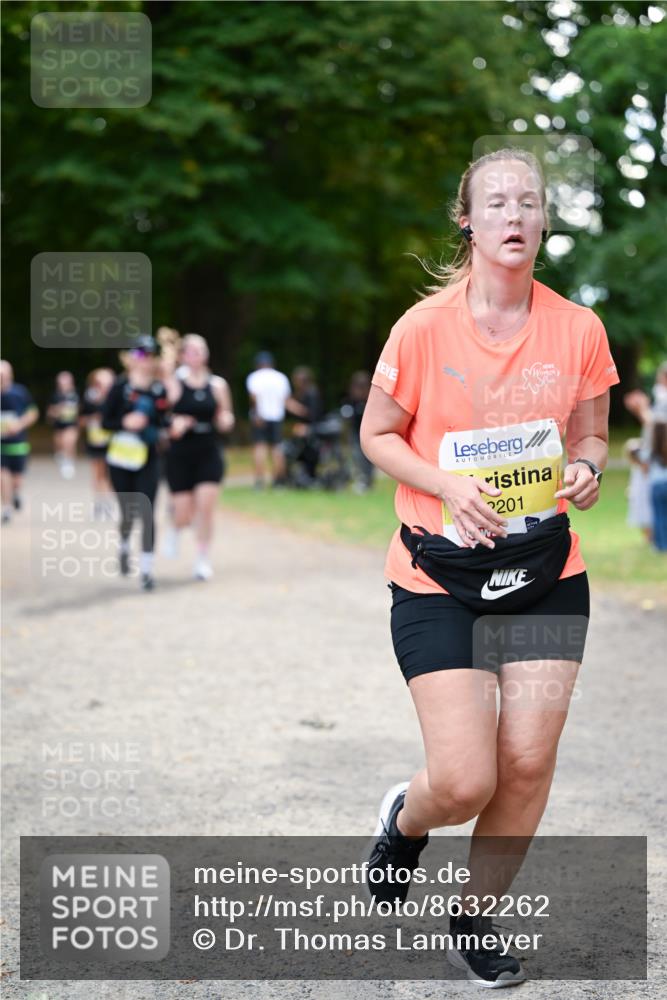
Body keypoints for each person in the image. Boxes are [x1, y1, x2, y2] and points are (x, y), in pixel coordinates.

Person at [360, 147, 620, 987]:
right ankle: (405, 822)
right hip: (439, 577)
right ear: (467, 221)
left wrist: (586, 468)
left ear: (543, 221)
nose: (514, 214)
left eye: (528, 202)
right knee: (464, 780)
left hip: (544, 573)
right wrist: (445, 485)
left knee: (528, 761)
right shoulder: (422, 328)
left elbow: (590, 435)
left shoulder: (578, 328)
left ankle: (474, 917)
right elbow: (375, 435)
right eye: (497, 201)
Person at [162, 333, 235, 580]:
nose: (195, 355)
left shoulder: (217, 385)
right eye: (190, 351)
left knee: (206, 508)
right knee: (183, 512)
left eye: (200, 350)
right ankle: (176, 527)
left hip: (208, 451)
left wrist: (225, 420)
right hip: (180, 453)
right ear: (183, 356)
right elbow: (161, 415)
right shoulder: (174, 383)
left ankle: (202, 558)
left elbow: (226, 414)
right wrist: (174, 423)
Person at [102, 335, 170, 591]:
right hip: (121, 458)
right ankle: (123, 546)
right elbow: (105, 422)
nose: (144, 360)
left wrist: (162, 428)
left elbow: (164, 420)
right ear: (130, 358)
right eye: (140, 354)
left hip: (148, 457)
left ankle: (147, 570)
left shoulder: (158, 389)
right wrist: (125, 423)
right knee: (129, 512)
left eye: (149, 355)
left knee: (148, 512)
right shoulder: (119, 388)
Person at [0, 360, 39, 523]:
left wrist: (19, 424)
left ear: (10, 374)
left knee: (16, 480)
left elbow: (33, 412)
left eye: (3, 373)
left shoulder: (20, 392)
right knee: (2, 475)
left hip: (18, 444)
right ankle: (7, 508)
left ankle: (15, 493)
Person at [246, 351, 291, 488]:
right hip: (276, 416)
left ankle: (259, 481)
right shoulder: (281, 377)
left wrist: (257, 414)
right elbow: (285, 400)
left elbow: (253, 397)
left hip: (261, 416)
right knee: (277, 448)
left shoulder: (254, 377)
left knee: (260, 448)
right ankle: (279, 481)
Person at [80, 367, 115, 519]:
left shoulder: (116, 397)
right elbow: (80, 420)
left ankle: (109, 504)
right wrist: (93, 419)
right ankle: (100, 504)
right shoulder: (89, 398)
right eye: (100, 382)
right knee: (98, 474)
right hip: (95, 441)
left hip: (113, 442)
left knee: (111, 475)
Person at [285, 365, 323, 484]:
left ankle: (309, 475)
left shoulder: (312, 393)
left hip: (313, 430)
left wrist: (292, 406)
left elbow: (312, 414)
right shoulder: (303, 393)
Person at [342, 370, 375, 492]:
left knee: (366, 459)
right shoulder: (352, 401)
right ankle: (361, 480)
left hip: (367, 435)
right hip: (356, 434)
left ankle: (367, 481)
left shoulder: (370, 402)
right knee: (357, 457)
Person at [46, 371, 79, 479]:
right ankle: (63, 458)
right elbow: (49, 413)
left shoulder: (75, 394)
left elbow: (80, 410)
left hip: (71, 424)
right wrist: (58, 410)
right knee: (60, 445)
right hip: (59, 425)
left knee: (69, 442)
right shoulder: (55, 396)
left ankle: (69, 463)